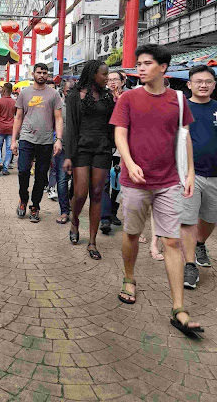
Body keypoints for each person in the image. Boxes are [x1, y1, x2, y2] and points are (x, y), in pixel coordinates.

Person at [111, 44, 203, 336]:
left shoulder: (179, 99)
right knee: (132, 234)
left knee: (172, 242)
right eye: (139, 63)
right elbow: (120, 133)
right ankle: (129, 278)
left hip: (168, 181)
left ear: (163, 68)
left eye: (147, 63)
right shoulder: (128, 98)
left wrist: (189, 172)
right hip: (135, 180)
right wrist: (129, 163)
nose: (140, 68)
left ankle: (179, 308)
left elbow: (184, 137)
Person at [64, 60, 114, 259]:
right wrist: (69, 155)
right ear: (93, 74)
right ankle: (75, 220)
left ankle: (92, 242)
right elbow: (71, 127)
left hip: (102, 148)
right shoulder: (74, 96)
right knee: (80, 192)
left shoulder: (108, 96)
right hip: (81, 148)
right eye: (104, 74)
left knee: (97, 193)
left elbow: (112, 123)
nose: (107, 78)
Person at [180, 65, 217, 289]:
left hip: (215, 174)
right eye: (198, 81)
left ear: (214, 84)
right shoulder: (181, 109)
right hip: (188, 175)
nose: (203, 85)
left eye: (208, 81)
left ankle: (200, 243)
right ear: (189, 84)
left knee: (211, 218)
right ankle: (189, 264)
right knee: (187, 220)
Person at [11, 64, 63, 223]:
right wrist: (13, 140)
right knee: (23, 171)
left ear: (48, 75)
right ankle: (23, 198)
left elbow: (58, 118)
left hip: (46, 140)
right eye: (39, 72)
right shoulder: (24, 93)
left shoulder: (54, 94)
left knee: (41, 176)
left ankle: (35, 205)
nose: (41, 75)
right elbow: (18, 117)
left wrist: (58, 139)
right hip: (26, 138)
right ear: (33, 73)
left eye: (44, 73)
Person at [100, 71, 126, 234]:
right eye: (109, 80)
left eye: (115, 79)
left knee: (118, 179)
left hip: (122, 146)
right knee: (104, 181)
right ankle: (104, 217)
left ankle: (113, 211)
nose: (112, 82)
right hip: (104, 145)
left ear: (123, 81)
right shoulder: (102, 98)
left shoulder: (129, 98)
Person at [47, 79, 74, 224]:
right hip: (62, 147)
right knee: (62, 180)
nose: (71, 94)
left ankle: (72, 203)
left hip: (78, 149)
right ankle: (64, 210)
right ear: (63, 91)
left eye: (73, 91)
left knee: (77, 181)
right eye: (68, 91)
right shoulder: (58, 107)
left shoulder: (81, 106)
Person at [0, 82, 15, 176]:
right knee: (9, 148)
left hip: (0, 127)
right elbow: (18, 116)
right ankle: (5, 168)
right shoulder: (14, 102)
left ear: (3, 91)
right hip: (11, 127)